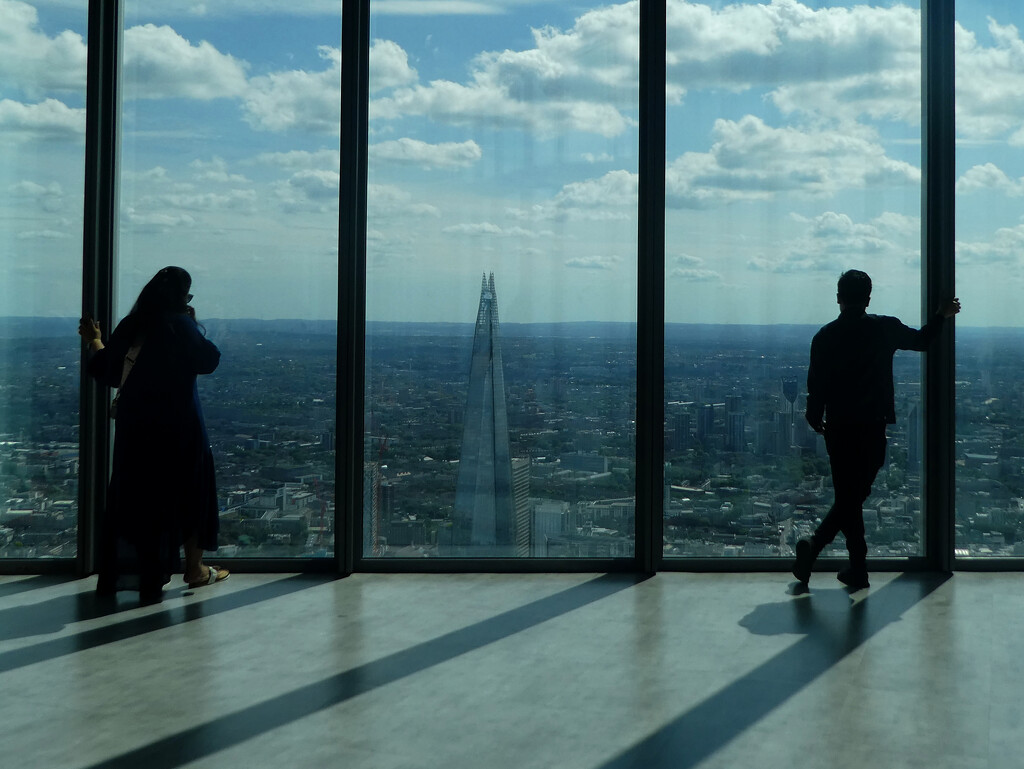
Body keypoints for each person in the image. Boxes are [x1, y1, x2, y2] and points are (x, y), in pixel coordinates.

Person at [792, 270, 960, 589]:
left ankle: (832, 558)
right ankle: (847, 565)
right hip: (872, 426)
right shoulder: (884, 328)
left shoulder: (824, 337)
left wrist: (814, 416)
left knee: (849, 497)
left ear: (838, 298)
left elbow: (817, 386)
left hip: (838, 428)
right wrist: (942, 314)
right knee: (854, 497)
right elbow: (923, 340)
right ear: (869, 298)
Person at [79, 266, 228, 601]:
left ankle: (146, 574)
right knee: (190, 492)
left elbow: (108, 372)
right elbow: (209, 360)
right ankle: (196, 568)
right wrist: (192, 321)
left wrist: (95, 340)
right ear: (181, 297)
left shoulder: (133, 325)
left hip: (136, 430)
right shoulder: (180, 325)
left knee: (141, 499)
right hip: (180, 427)